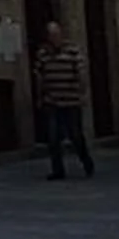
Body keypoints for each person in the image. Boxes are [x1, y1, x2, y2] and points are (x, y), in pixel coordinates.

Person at [34, 19, 93, 180]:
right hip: (52, 101)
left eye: (56, 34)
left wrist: (82, 92)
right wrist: (40, 96)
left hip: (71, 100)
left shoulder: (73, 51)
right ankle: (58, 170)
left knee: (75, 135)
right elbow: (39, 76)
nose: (54, 38)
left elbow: (81, 73)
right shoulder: (42, 54)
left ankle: (86, 161)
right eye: (51, 35)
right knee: (53, 138)